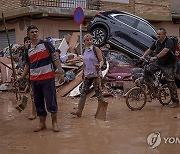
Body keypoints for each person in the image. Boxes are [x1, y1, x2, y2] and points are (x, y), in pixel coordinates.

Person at [20, 25, 64, 132]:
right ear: (28, 35)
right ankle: (42, 123)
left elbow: (55, 58)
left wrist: (61, 71)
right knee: (38, 102)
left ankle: (54, 123)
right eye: (32, 32)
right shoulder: (28, 50)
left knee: (51, 101)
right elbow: (27, 65)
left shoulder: (46, 44)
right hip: (35, 80)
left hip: (48, 78)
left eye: (36, 31)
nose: (35, 33)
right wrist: (21, 77)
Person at [140, 28, 179, 108]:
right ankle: (154, 90)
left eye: (159, 34)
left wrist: (156, 57)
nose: (157, 36)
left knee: (170, 82)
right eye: (157, 34)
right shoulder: (157, 42)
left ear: (164, 35)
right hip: (159, 62)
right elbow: (150, 49)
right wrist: (143, 56)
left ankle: (175, 101)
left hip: (168, 64)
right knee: (147, 71)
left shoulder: (169, 42)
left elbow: (165, 51)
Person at [71, 34, 104, 117]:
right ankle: (79, 111)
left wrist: (99, 66)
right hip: (87, 75)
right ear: (84, 42)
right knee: (83, 92)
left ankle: (101, 112)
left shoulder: (96, 49)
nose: (89, 41)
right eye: (87, 40)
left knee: (98, 93)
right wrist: (83, 73)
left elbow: (101, 60)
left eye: (90, 40)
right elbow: (85, 63)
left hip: (96, 75)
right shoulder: (84, 50)